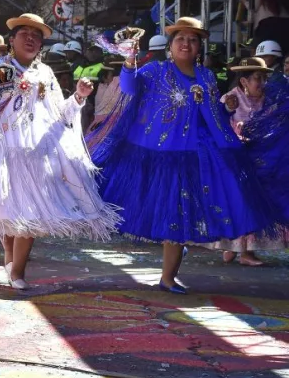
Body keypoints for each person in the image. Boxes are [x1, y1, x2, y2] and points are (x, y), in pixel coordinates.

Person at [90, 17, 286, 294]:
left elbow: (210, 116)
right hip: (158, 156)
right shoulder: (155, 70)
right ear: (170, 46)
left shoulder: (206, 77)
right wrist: (130, 60)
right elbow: (129, 87)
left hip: (195, 157)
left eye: (193, 40)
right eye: (180, 38)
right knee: (168, 215)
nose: (186, 43)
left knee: (180, 218)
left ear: (199, 49)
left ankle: (168, 278)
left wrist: (227, 109)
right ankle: (168, 277)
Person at [0, 13, 116, 289]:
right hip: (2, 153)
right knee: (7, 213)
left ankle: (18, 272)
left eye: (36, 35)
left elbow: (59, 114)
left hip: (36, 155)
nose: (30, 39)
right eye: (24, 34)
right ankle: (9, 258)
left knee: (29, 215)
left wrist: (78, 97)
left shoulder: (45, 73)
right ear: (12, 39)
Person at [207, 57, 287, 265]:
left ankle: (246, 252)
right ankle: (232, 248)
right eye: (257, 78)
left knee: (255, 203)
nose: (262, 83)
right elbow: (217, 126)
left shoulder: (269, 101)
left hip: (260, 160)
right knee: (237, 202)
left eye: (263, 78)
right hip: (234, 159)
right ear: (244, 81)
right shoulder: (230, 99)